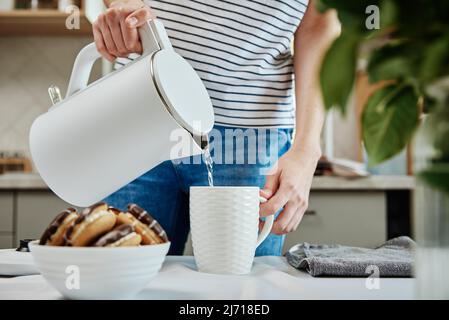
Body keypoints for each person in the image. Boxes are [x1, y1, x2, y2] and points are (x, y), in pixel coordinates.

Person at [94, 0, 339, 255]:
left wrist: (306, 150)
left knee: (242, 288)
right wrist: (124, 7)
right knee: (126, 283)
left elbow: (319, 24)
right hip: (140, 112)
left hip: (249, 137)